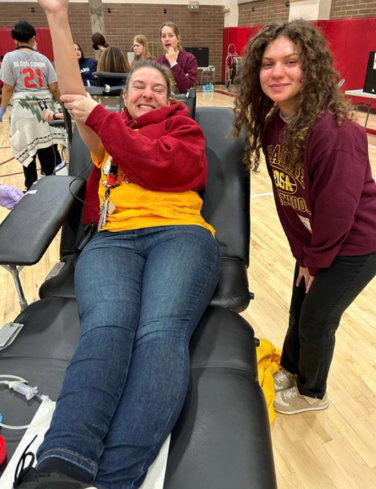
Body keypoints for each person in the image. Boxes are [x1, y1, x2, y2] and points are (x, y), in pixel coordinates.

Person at [14, 1, 220, 489]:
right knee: (106, 330)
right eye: (137, 87)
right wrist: (59, 18)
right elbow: (70, 92)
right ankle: (62, 465)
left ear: (171, 99)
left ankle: (115, 480)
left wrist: (105, 122)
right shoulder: (110, 136)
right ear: (124, 96)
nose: (147, 93)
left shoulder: (184, 130)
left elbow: (165, 167)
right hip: (113, 242)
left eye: (158, 88)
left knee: (159, 336)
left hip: (181, 236)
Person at [234, 19, 376, 415]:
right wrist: (304, 253)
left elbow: (337, 211)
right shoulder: (274, 123)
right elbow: (287, 200)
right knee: (299, 308)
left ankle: (313, 393)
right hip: (318, 241)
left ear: (310, 67)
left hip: (357, 244)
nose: (277, 72)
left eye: (291, 62)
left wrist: (314, 261)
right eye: (267, 63)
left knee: (317, 321)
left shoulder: (335, 131)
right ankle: (292, 369)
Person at [0, 20, 65, 190]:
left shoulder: (9, 57)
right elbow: (54, 87)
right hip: (46, 110)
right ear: (33, 37)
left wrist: (2, 108)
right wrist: (63, 106)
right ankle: (52, 187)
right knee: (48, 150)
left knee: (28, 150)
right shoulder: (43, 58)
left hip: (24, 110)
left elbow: (7, 87)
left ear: (16, 39)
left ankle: (31, 188)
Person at [155, 22, 197, 94]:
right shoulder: (157, 62)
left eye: (170, 36)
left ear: (178, 39)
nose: (166, 39)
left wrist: (173, 63)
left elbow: (188, 88)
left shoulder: (189, 59)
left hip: (182, 102)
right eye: (163, 36)